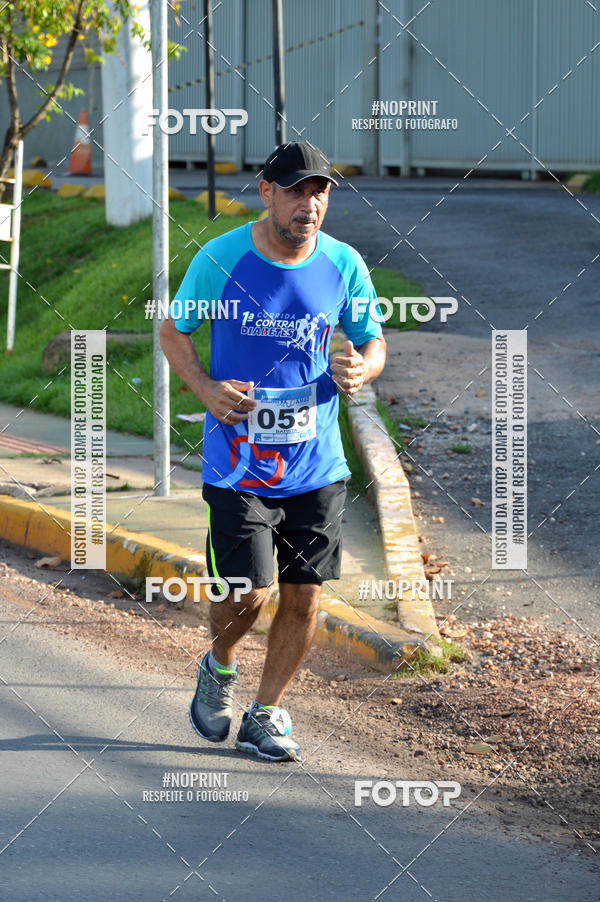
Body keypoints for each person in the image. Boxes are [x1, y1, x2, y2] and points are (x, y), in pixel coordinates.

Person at [160, 141, 386, 762]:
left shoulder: (344, 264)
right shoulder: (221, 257)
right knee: (247, 591)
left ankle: (265, 713)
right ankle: (220, 664)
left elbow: (374, 340)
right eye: (295, 191)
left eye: (319, 192)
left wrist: (361, 370)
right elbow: (173, 330)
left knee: (305, 594)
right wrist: (205, 387)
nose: (308, 204)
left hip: (318, 462)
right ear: (266, 192)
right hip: (238, 462)